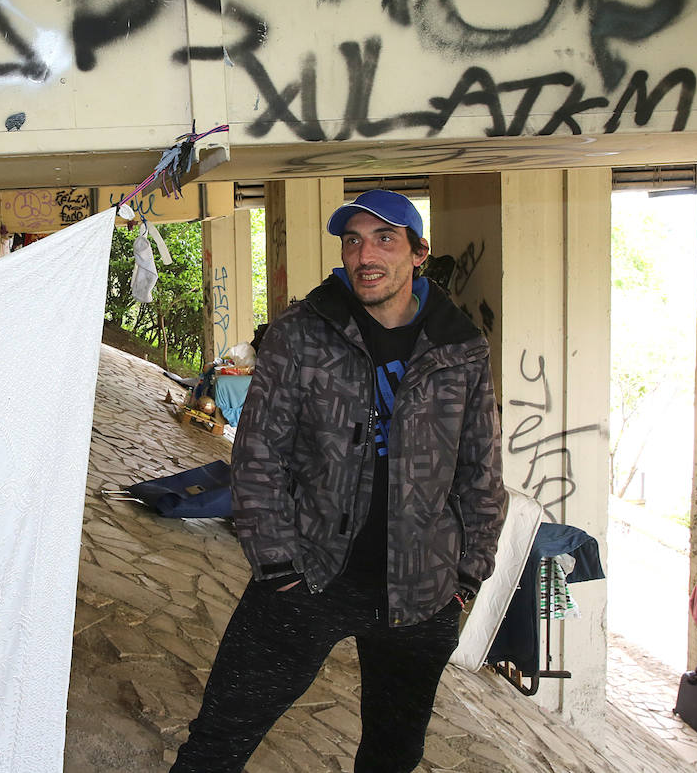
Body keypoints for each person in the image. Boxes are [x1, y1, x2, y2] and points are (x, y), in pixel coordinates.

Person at [171, 189, 507, 773]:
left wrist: (467, 575)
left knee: (392, 754)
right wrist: (277, 565)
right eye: (352, 240)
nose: (364, 254)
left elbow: (482, 467)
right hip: (310, 572)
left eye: (384, 239)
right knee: (218, 739)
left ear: (418, 253)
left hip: (422, 592)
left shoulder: (460, 346)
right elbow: (257, 453)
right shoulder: (303, 331)